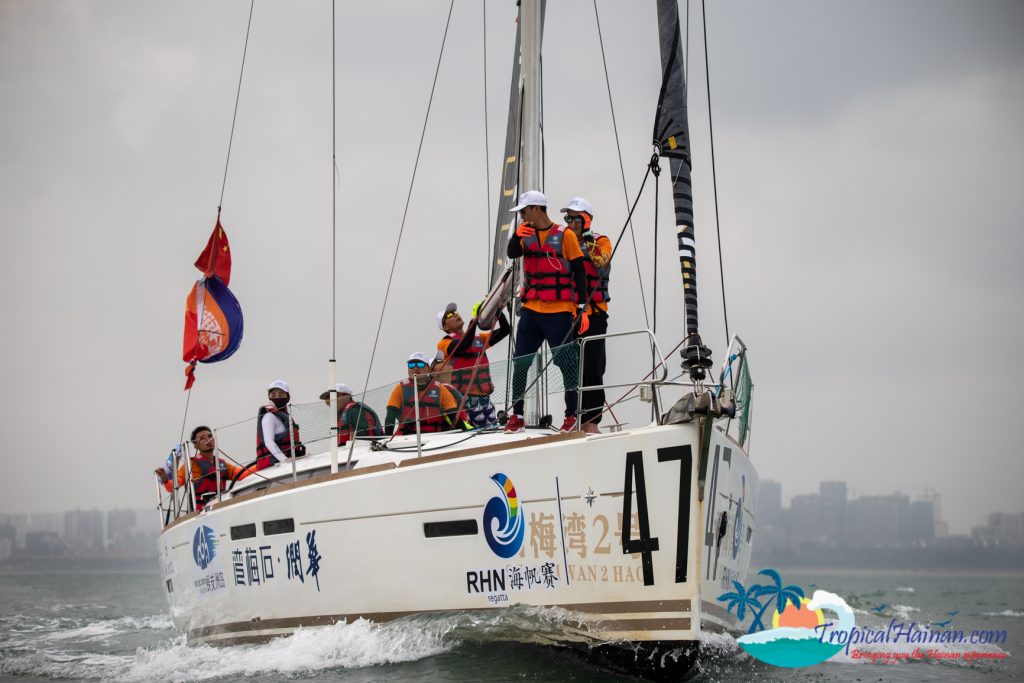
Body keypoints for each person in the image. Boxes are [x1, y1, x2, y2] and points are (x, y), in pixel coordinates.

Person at [504, 190, 590, 433]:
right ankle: (517, 415)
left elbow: (579, 270)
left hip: (559, 311)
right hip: (531, 311)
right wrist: (515, 237)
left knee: (566, 365)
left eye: (523, 210)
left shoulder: (565, 236)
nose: (521, 215)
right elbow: (512, 253)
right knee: (520, 362)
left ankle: (571, 416)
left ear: (536, 209)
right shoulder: (524, 234)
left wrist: (581, 308)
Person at [562, 197, 612, 434]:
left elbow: (602, 263)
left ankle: (591, 421)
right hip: (569, 314)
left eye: (575, 218)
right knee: (571, 367)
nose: (570, 222)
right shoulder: (562, 242)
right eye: (567, 218)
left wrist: (588, 238)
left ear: (585, 219)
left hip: (594, 314)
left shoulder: (601, 241)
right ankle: (572, 416)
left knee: (593, 367)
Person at [436, 302, 510, 428]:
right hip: (464, 401)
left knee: (492, 433)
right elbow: (463, 345)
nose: (455, 315)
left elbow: (505, 330)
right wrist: (473, 322)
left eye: (456, 313)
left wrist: (499, 312)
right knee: (473, 436)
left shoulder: (479, 339)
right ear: (445, 327)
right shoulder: (444, 344)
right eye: (449, 315)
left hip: (485, 400)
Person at [155, 426, 250, 511]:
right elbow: (173, 486)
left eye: (209, 436)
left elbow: (241, 474)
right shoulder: (191, 465)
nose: (207, 440)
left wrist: (260, 463)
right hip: (199, 514)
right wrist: (165, 479)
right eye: (202, 438)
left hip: (220, 509)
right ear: (195, 445)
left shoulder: (221, 463)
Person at [385, 352, 461, 435]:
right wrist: (386, 439)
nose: (415, 367)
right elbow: (390, 417)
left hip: (437, 437)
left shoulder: (440, 389)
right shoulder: (400, 389)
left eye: (420, 364)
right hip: (407, 438)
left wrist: (463, 432)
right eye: (411, 365)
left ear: (428, 369)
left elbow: (453, 416)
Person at [255, 380, 306, 471]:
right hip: (276, 465)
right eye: (273, 395)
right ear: (269, 397)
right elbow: (268, 441)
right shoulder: (269, 416)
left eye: (281, 394)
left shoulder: (285, 417)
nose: (277, 397)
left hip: (291, 460)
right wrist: (284, 460)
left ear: (287, 397)